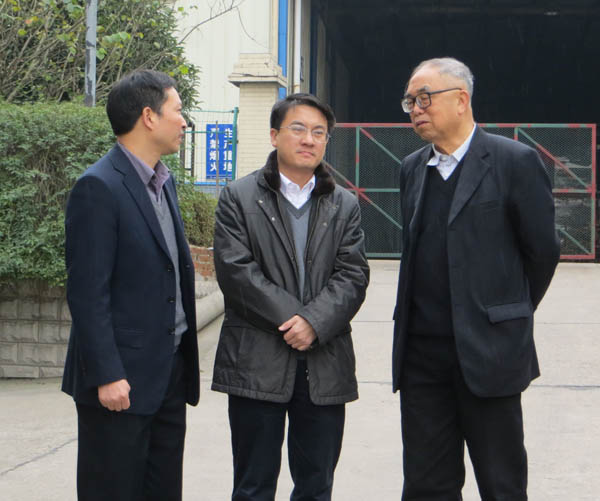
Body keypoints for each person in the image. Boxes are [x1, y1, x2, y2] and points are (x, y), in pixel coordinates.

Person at [392, 57, 560, 500]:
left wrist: (507, 311)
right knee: (426, 485)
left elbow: (542, 253)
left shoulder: (514, 162)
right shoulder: (412, 168)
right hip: (422, 358)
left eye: (424, 98)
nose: (415, 109)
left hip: (490, 353)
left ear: (461, 100)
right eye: (410, 101)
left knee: (501, 483)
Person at [212, 93, 370, 501]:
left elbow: (353, 275)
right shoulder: (239, 197)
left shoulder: (344, 204)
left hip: (324, 364)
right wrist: (297, 321)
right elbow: (236, 271)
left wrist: (315, 323)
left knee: (316, 485)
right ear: (274, 135)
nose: (309, 139)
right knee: (253, 486)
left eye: (319, 132)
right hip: (256, 362)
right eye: (298, 129)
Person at [62, 70, 200, 501]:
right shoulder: (98, 187)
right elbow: (88, 292)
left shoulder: (163, 181)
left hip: (168, 372)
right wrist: (107, 374)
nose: (184, 121)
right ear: (148, 117)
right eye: (178, 110)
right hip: (119, 383)